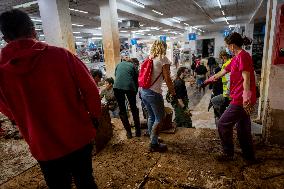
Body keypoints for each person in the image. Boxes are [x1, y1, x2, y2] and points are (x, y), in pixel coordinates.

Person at [0, 10, 101, 188]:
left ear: (6, 38)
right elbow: (91, 89)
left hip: (42, 144)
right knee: (85, 181)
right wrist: (94, 117)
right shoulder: (62, 56)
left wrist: (20, 118)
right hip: (77, 135)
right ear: (33, 30)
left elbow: (4, 106)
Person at [204, 32, 256, 162]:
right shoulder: (236, 58)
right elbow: (224, 71)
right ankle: (249, 156)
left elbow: (247, 79)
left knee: (223, 123)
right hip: (240, 97)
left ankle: (228, 153)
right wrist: (211, 79)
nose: (228, 48)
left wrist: (246, 99)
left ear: (232, 46)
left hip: (241, 98)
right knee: (243, 127)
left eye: (228, 46)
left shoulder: (243, 56)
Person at [140, 40, 176, 152]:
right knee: (159, 118)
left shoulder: (150, 57)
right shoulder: (163, 59)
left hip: (143, 91)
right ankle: (153, 144)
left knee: (151, 116)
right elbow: (167, 78)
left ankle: (153, 138)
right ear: (164, 48)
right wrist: (173, 91)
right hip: (153, 93)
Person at [113, 54, 141, 139]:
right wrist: (135, 92)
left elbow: (116, 76)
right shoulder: (133, 66)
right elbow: (136, 80)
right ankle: (138, 131)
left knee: (122, 110)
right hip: (129, 87)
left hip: (117, 87)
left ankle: (128, 133)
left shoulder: (119, 64)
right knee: (133, 108)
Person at [210, 51, 232, 124]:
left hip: (227, 92)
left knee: (215, 101)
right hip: (226, 90)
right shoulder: (227, 63)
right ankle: (222, 119)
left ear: (223, 57)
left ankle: (222, 119)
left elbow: (229, 79)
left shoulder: (226, 64)